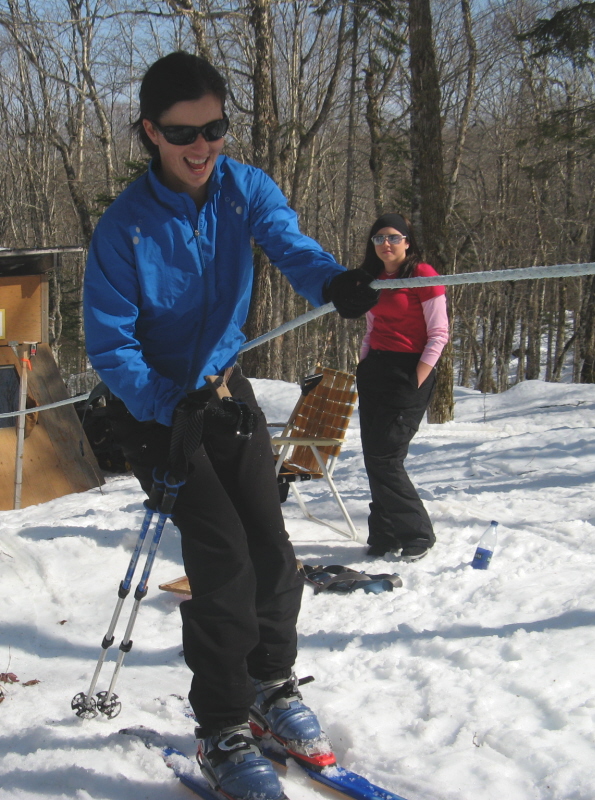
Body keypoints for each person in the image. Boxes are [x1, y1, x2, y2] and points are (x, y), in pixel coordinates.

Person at [83, 51, 374, 800]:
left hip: (222, 389)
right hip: (154, 408)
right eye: (183, 132)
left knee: (274, 555)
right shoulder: (125, 228)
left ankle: (269, 686)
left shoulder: (243, 189)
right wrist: (158, 400)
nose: (202, 145)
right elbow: (110, 344)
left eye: (214, 127)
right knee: (223, 563)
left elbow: (289, 244)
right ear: (150, 131)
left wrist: (334, 281)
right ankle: (219, 727)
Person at [355, 213, 449, 561]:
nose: (386, 244)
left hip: (409, 370)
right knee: (374, 456)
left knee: (386, 456)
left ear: (407, 241)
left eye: (393, 237)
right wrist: (364, 364)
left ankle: (417, 533)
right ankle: (385, 532)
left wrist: (418, 377)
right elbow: (370, 327)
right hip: (375, 369)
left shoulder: (423, 274)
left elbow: (439, 333)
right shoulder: (373, 279)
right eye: (379, 239)